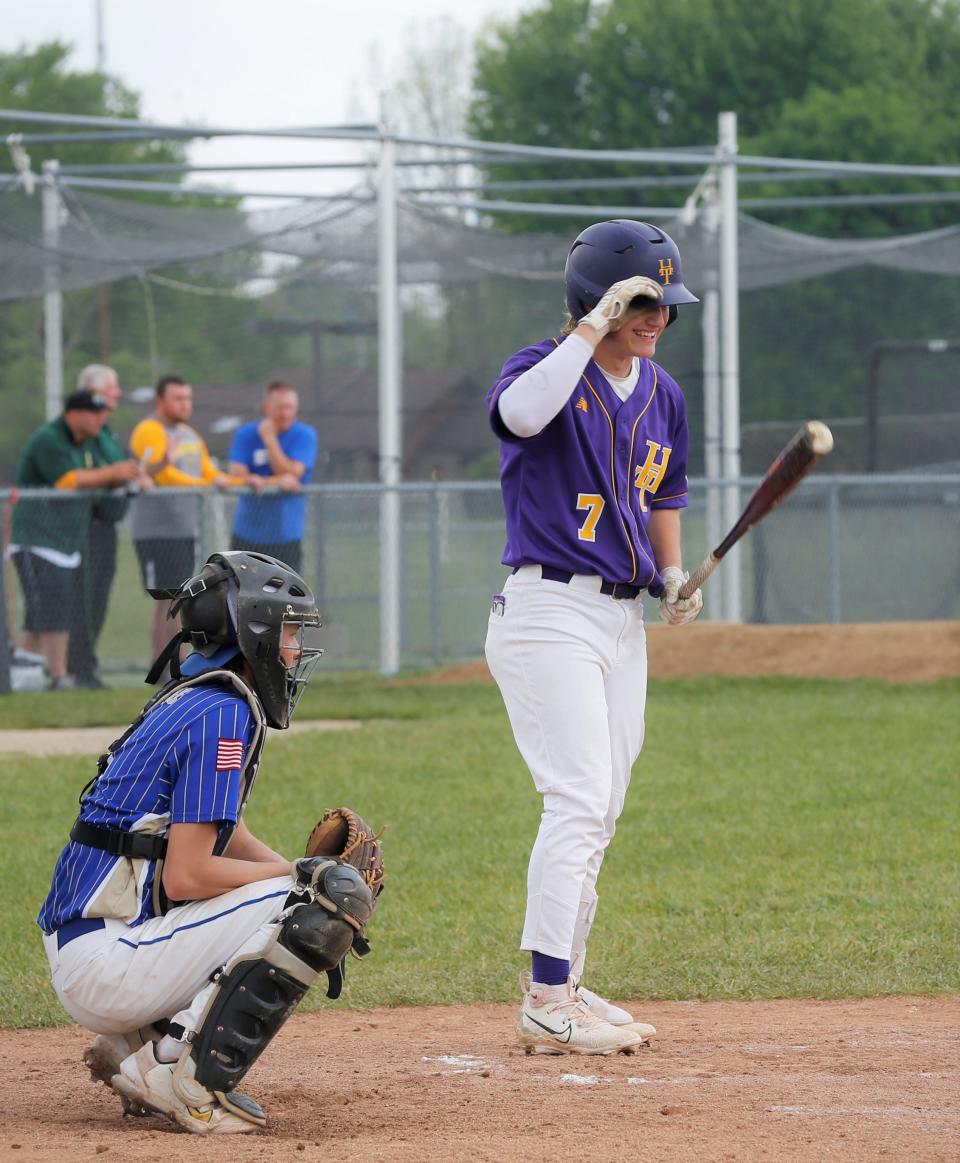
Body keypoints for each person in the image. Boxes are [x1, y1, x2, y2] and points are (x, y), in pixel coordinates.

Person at [37, 550, 375, 1135]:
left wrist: (297, 868)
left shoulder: (196, 694)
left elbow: (226, 834)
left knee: (309, 888)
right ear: (256, 633)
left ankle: (136, 1043)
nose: (295, 649)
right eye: (290, 630)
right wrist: (310, 886)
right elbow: (187, 876)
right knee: (320, 903)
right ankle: (176, 1071)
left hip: (93, 944)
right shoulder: (221, 712)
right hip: (108, 960)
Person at [483, 220, 705, 1056]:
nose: (655, 318)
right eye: (640, 302)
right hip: (548, 612)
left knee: (602, 806)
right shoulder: (541, 369)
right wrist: (586, 328)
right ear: (596, 300)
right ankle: (546, 995)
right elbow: (519, 413)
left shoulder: (664, 394)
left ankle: (565, 979)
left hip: (621, 617)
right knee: (576, 797)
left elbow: (664, 493)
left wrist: (672, 575)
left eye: (663, 304)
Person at [9, 390, 146, 691]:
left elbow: (101, 475)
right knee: (53, 611)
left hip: (64, 542)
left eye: (103, 412)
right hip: (36, 540)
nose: (101, 418)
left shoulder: (88, 443)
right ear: (73, 414)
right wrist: (113, 472)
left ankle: (23, 675)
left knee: (40, 613)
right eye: (94, 412)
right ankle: (60, 677)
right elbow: (66, 481)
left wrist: (126, 476)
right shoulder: (50, 438)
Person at [129, 375, 243, 662]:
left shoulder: (190, 435)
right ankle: (165, 666)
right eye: (177, 398)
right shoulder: (149, 430)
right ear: (160, 401)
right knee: (166, 599)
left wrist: (237, 481)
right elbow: (166, 476)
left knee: (178, 597)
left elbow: (207, 471)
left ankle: (174, 664)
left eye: (187, 398)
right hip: (158, 531)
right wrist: (206, 486)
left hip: (184, 528)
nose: (184, 404)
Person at [67, 364, 143, 689]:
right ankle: (75, 668)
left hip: (107, 527)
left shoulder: (107, 432)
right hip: (86, 528)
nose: (118, 394)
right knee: (82, 598)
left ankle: (86, 665)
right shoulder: (83, 434)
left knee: (99, 597)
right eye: (112, 389)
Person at [228, 380, 318, 572]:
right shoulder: (246, 435)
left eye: (290, 408)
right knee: (241, 597)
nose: (285, 413)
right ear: (266, 408)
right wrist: (272, 481)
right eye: (280, 408)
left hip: (286, 536)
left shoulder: (305, 435)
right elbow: (237, 473)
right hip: (247, 535)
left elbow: (292, 474)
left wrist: (270, 439)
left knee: (286, 598)